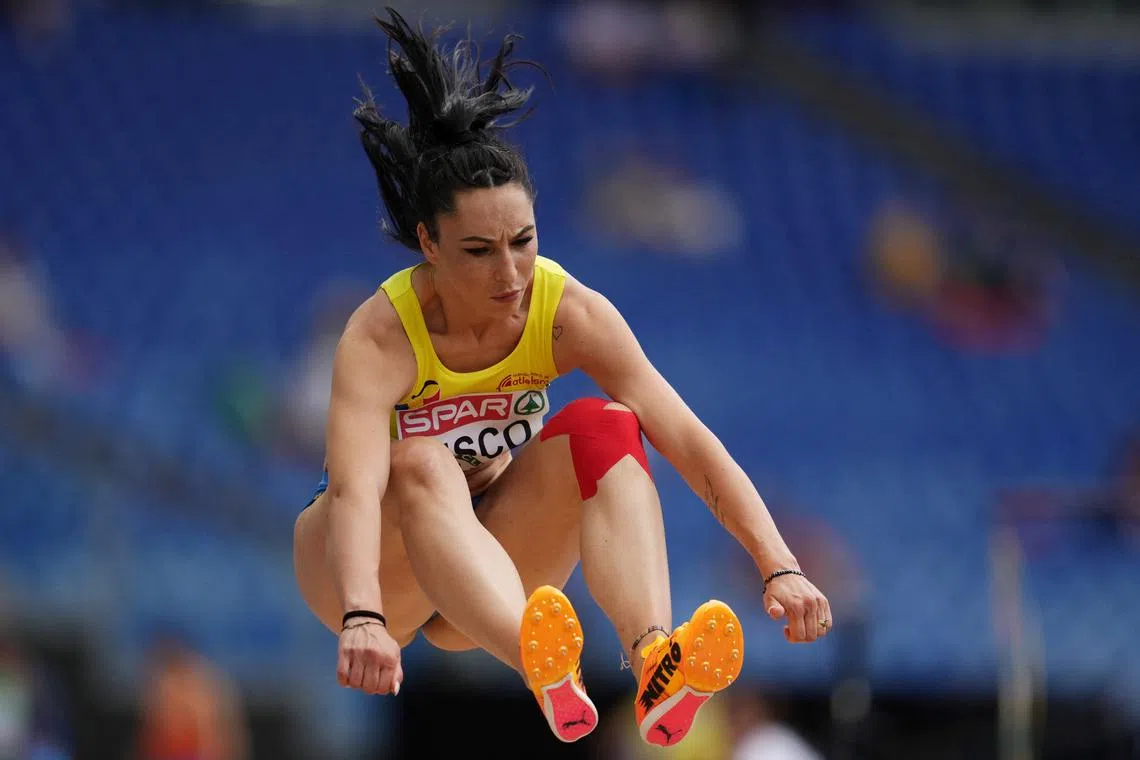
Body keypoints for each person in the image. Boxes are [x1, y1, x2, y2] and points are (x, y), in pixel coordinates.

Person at [291, 8, 832, 747]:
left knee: (607, 426)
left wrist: (779, 565)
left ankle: (653, 656)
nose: (510, 273)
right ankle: (539, 664)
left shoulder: (567, 311)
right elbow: (354, 488)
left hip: (489, 565)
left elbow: (685, 437)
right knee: (420, 462)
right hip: (374, 566)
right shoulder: (383, 333)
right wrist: (360, 615)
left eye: (523, 241)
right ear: (429, 244)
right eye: (479, 251)